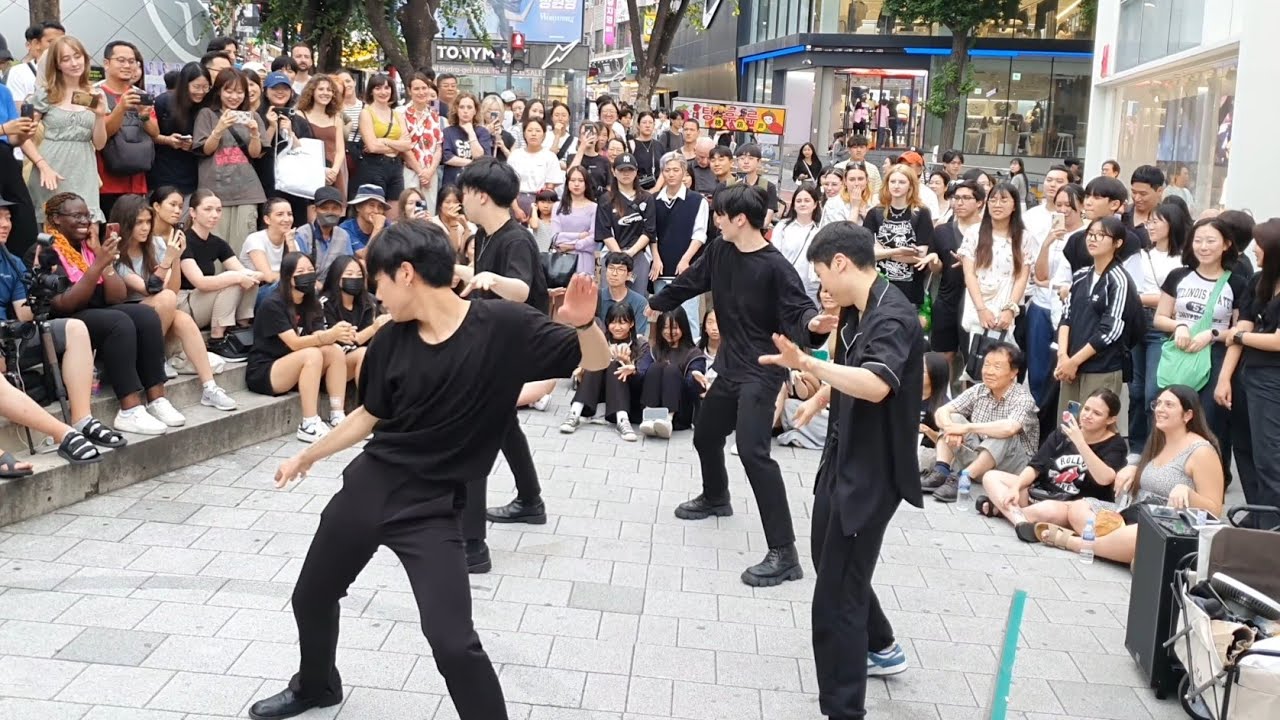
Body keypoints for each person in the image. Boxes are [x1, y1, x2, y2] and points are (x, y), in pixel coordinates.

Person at [247, 221, 608, 720]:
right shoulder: (391, 341)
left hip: (433, 507)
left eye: (378, 281)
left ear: (406, 273)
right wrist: (308, 456)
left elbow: (595, 360)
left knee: (454, 643)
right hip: (371, 487)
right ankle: (317, 686)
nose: (375, 294)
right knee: (311, 596)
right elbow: (369, 414)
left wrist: (585, 325)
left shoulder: (503, 326)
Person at [757, 221, 924, 717]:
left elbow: (876, 384)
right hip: (841, 454)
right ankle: (882, 643)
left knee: (835, 599)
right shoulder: (857, 308)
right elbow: (852, 370)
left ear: (841, 263)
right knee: (824, 553)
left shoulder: (894, 316)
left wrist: (809, 366)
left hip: (871, 472)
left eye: (822, 275)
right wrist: (822, 396)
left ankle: (844, 708)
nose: (822, 287)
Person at [648, 183, 834, 587]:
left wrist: (815, 326)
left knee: (753, 452)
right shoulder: (721, 250)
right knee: (706, 435)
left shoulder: (775, 267)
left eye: (719, 215)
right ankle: (717, 496)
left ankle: (785, 554)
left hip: (763, 370)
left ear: (740, 219)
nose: (715, 220)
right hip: (731, 364)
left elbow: (800, 311)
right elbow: (693, 280)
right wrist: (657, 302)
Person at [450, 158, 551, 565]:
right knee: (503, 424)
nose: (460, 200)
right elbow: (483, 279)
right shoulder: (484, 235)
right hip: (494, 342)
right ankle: (530, 500)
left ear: (481, 195)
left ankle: (472, 547)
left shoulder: (516, 239)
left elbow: (521, 289)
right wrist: (463, 272)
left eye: (464, 193)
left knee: (476, 433)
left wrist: (492, 280)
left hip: (515, 345)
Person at [37, 192, 182, 435]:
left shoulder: (89, 247)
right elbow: (65, 304)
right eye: (76, 216)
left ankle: (157, 398)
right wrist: (97, 265)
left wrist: (101, 257)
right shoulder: (46, 250)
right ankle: (129, 409)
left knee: (145, 316)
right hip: (66, 322)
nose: (84, 222)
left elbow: (117, 296)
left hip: (96, 313)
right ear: (56, 219)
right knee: (119, 321)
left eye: (87, 216)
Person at [1032, 386, 1223, 565]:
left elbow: (1214, 511)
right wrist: (1135, 469)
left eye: (1169, 404)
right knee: (1079, 508)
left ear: (1188, 415)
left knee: (1143, 533)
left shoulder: (1201, 451)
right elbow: (1155, 476)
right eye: (1158, 403)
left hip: (1171, 524)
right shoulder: (1160, 439)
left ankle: (1074, 542)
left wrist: (1187, 493)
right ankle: (1118, 549)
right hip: (1134, 513)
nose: (1160, 409)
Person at [0, 193, 111, 463]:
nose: (5, 224)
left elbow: (24, 313)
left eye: (8, 217)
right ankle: (64, 434)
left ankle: (82, 418)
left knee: (75, 328)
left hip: (10, 337)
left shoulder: (12, 261)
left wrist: (39, 288)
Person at [110, 193, 237, 411]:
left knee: (182, 317)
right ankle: (155, 360)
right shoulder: (116, 255)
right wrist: (168, 259)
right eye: (139, 222)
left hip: (161, 307)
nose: (145, 228)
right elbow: (148, 288)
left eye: (148, 222)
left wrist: (177, 257)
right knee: (166, 298)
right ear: (125, 223)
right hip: (131, 313)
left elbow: (173, 288)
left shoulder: (157, 244)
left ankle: (210, 387)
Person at [976, 388, 1128, 536]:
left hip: (1069, 505)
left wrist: (1080, 442)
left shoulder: (1115, 444)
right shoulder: (1063, 432)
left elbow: (1104, 479)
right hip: (1041, 492)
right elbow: (1036, 466)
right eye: (1086, 409)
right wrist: (1015, 488)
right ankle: (1019, 520)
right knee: (991, 476)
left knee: (1046, 510)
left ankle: (1003, 510)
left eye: (1097, 413)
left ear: (1110, 419)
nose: (1088, 415)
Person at [245, 251, 350, 443]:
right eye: (300, 272)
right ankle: (308, 423)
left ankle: (337, 413)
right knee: (312, 354)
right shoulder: (273, 304)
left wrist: (337, 334)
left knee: (335, 351)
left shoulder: (312, 302)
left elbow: (318, 335)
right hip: (266, 370)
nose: (307, 275)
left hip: (296, 365)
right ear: (288, 277)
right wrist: (327, 336)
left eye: (310, 270)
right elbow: (293, 343)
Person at [926, 342, 1039, 501]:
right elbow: (942, 411)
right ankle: (941, 471)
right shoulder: (979, 390)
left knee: (1004, 434)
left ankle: (962, 479)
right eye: (986, 365)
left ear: (1013, 372)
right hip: (981, 459)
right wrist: (950, 427)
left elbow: (1010, 428)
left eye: (997, 367)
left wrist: (965, 429)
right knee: (953, 417)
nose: (989, 371)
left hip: (1011, 468)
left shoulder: (1023, 398)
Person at [1054, 215, 1133, 423]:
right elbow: (1066, 317)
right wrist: (1063, 357)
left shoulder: (1118, 279)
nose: (1093, 239)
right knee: (1068, 423)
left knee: (1095, 426)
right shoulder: (1080, 275)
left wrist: (1073, 361)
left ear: (1117, 243)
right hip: (1071, 367)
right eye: (1090, 234)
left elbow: (1110, 330)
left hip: (1101, 367)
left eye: (1101, 235)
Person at [22, 36, 108, 226]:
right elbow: (24, 138)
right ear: (57, 64)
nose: (74, 63)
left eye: (77, 56)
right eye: (66, 59)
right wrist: (43, 166)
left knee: (86, 228)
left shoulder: (95, 94)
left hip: (84, 171)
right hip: (51, 171)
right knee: (53, 230)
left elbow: (100, 144)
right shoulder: (46, 94)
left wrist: (100, 115)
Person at [181, 190, 260, 359]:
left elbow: (241, 270)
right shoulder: (184, 241)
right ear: (193, 212)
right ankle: (217, 339)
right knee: (232, 281)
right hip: (185, 303)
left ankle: (242, 327)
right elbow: (200, 282)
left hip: (203, 301)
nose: (214, 215)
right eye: (208, 209)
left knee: (248, 278)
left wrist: (253, 275)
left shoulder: (218, 243)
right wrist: (236, 277)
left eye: (218, 210)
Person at [194, 68, 266, 254]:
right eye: (229, 91)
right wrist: (219, 128)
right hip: (215, 190)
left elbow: (256, 154)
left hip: (247, 190)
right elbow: (205, 149)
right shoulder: (207, 114)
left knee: (242, 247)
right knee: (214, 246)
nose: (234, 96)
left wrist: (254, 133)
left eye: (240, 92)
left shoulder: (253, 116)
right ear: (219, 91)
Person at [562, 301, 646, 441]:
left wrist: (628, 364)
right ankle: (574, 413)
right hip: (598, 394)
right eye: (613, 322)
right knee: (598, 361)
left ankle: (622, 420)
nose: (617, 327)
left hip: (628, 396)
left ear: (631, 324)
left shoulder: (641, 344)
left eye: (622, 323)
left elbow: (643, 378)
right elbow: (581, 374)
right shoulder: (601, 341)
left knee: (614, 364)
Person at [863, 164, 937, 310]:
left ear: (910, 185)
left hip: (909, 290)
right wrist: (899, 252)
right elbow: (867, 253)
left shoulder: (921, 213)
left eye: (902, 182)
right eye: (893, 181)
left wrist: (883, 251)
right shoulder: (875, 213)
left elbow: (921, 256)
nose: (896, 186)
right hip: (879, 286)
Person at [652, 151, 708, 338]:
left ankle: (693, 353)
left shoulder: (697, 201)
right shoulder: (653, 200)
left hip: (687, 269)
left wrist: (686, 260)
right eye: (667, 170)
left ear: (684, 172)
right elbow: (651, 233)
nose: (671, 174)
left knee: (689, 317)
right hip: (661, 268)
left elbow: (699, 234)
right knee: (663, 318)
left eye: (676, 170)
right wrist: (656, 258)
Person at [637, 307, 707, 436]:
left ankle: (667, 419)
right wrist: (632, 370)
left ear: (683, 327)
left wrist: (695, 378)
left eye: (674, 327)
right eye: (665, 327)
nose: (670, 332)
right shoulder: (654, 350)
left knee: (671, 369)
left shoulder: (694, 354)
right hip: (654, 410)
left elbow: (692, 386)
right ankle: (649, 417)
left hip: (679, 413)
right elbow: (642, 375)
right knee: (656, 367)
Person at [320, 254, 387, 385]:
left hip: (363, 360)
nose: (355, 278)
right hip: (333, 365)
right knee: (362, 353)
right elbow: (345, 342)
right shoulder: (324, 304)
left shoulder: (369, 302)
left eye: (359, 275)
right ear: (337, 277)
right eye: (349, 274)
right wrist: (374, 328)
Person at [597, 153, 656, 290]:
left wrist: (630, 253)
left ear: (636, 171)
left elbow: (649, 230)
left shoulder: (646, 198)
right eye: (621, 170)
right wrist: (619, 256)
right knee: (609, 297)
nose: (626, 173)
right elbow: (605, 232)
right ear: (614, 171)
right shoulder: (606, 199)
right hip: (611, 255)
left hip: (639, 254)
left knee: (638, 297)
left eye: (630, 169)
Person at [149, 62, 207, 196]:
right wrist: (167, 140)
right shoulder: (164, 102)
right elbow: (150, 134)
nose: (201, 92)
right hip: (164, 171)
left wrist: (194, 145)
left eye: (205, 87)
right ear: (184, 84)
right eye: (196, 87)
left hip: (195, 174)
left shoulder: (206, 106)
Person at [356, 74, 410, 204]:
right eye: (378, 88)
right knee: (375, 207)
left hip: (396, 166)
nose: (383, 92)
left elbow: (407, 144)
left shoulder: (398, 115)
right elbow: (372, 146)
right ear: (371, 91)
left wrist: (385, 141)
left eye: (387, 88)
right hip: (374, 166)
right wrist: (397, 146)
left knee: (395, 208)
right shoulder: (366, 113)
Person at [772, 183, 823, 305]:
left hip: (811, 288)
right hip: (785, 284)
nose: (802, 204)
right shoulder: (783, 227)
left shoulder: (821, 229)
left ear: (815, 204)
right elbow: (774, 255)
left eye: (807, 200)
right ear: (793, 205)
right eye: (799, 201)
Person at [241, 197, 298, 304]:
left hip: (284, 286)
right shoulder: (255, 239)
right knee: (280, 288)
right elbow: (268, 276)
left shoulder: (292, 241)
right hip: (256, 292)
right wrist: (294, 280)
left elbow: (299, 270)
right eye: (280, 214)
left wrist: (290, 242)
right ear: (267, 219)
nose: (287, 219)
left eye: (289, 214)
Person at [294, 186, 355, 281]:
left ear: (341, 210)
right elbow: (299, 271)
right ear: (315, 209)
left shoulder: (343, 235)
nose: (330, 212)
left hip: (334, 286)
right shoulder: (302, 234)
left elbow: (348, 266)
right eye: (324, 208)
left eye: (335, 208)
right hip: (308, 285)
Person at [550, 166, 598, 275]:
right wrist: (579, 236)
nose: (576, 184)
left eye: (580, 180)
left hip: (586, 260)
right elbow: (555, 237)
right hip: (562, 261)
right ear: (567, 183)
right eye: (572, 180)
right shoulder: (558, 206)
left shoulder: (594, 207)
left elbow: (594, 238)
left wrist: (572, 246)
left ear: (586, 183)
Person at [441, 93, 492, 188]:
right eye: (462, 107)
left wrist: (471, 133)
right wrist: (473, 163)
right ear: (456, 109)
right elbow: (447, 157)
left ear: (475, 111)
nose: (465, 111)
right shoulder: (447, 132)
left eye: (469, 107)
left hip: (475, 183)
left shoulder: (482, 132)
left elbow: (482, 158)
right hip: (452, 183)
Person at [597, 251, 648, 334]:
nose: (614, 273)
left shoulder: (640, 302)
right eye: (611, 268)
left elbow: (638, 334)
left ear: (629, 275)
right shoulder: (596, 297)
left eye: (620, 269)